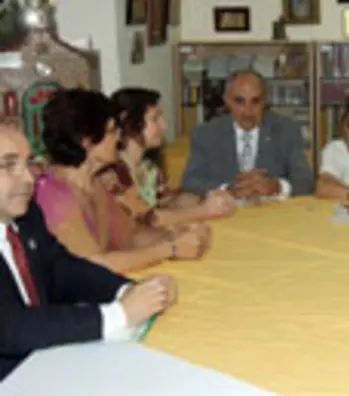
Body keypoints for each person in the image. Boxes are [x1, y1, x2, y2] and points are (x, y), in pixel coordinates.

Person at [0, 124, 178, 380]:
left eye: (29, 163)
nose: (28, 178)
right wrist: (117, 315)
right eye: (8, 166)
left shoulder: (27, 218)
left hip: (43, 365)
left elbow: (62, 270)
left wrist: (128, 290)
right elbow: (11, 328)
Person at [35, 89, 209, 273]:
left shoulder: (94, 184)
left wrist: (177, 237)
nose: (118, 137)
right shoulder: (55, 195)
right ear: (87, 141)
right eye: (111, 131)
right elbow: (91, 266)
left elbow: (131, 234)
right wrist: (170, 249)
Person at [101, 87, 236, 227]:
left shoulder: (149, 168)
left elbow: (165, 200)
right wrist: (204, 210)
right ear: (128, 122)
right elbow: (148, 218)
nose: (164, 126)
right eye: (155, 119)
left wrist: (204, 197)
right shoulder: (112, 174)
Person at [180, 69, 314, 202]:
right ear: (227, 101)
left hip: (272, 211)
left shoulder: (287, 130)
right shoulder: (206, 133)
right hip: (224, 211)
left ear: (265, 101)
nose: (248, 112)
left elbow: (306, 181)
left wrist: (277, 187)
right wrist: (228, 190)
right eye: (239, 102)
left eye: (255, 102)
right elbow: (191, 182)